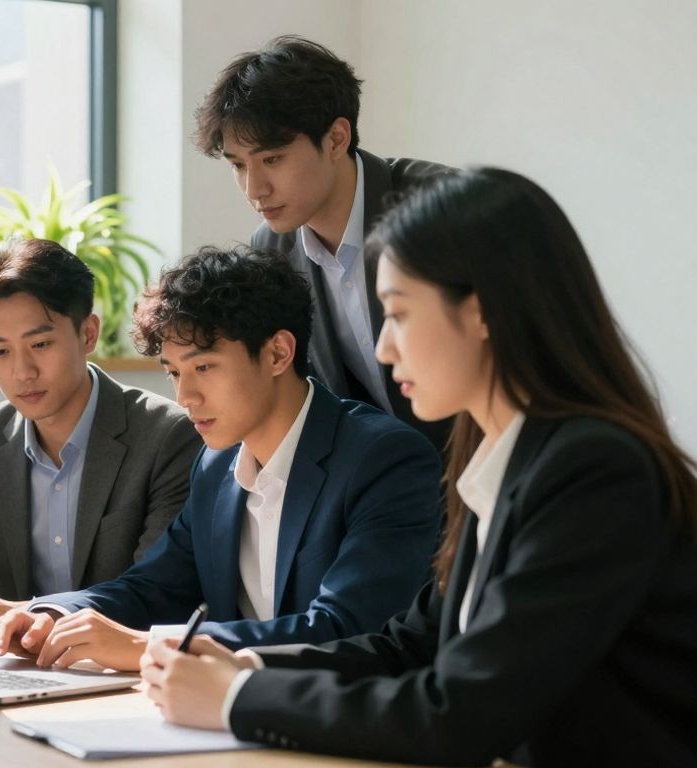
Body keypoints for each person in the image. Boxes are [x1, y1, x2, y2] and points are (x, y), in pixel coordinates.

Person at [141, 169, 697, 767]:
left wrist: (238, 699)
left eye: (399, 314)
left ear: (481, 313)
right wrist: (249, 664)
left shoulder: (593, 470)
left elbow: (461, 713)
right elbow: (412, 644)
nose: (382, 349)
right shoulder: (497, 456)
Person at [0, 246, 441, 670]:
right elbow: (155, 586)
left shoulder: (384, 460)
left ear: (278, 352)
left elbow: (349, 629)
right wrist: (51, 614)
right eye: (174, 373)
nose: (186, 396)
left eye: (203, 367)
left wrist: (149, 647)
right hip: (227, 715)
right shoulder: (216, 465)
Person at [0, 238, 200, 630]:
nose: (22, 372)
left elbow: (155, 592)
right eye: (0, 352)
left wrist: (26, 613)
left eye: (40, 344)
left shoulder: (166, 435)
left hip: (122, 672)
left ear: (88, 334)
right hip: (19, 667)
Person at [196, 35, 452, 445]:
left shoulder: (441, 206)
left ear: (336, 139)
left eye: (272, 159)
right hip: (379, 483)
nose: (254, 188)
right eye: (238, 165)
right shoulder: (271, 249)